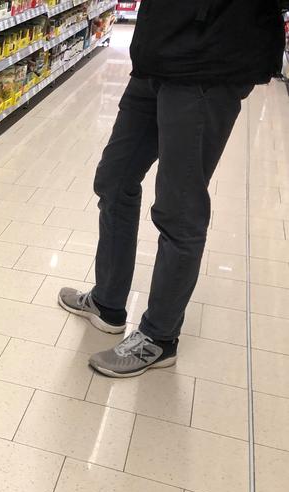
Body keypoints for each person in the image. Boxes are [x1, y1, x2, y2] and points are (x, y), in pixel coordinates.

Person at [59, 0, 285, 378]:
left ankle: (159, 337)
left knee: (179, 208)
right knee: (114, 179)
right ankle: (108, 303)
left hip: (208, 63)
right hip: (158, 53)